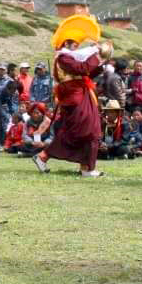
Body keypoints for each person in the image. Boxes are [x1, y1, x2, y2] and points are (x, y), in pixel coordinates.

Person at [33, 15, 106, 178]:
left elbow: (85, 72)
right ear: (66, 43)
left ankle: (86, 167)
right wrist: (95, 55)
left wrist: (101, 65)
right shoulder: (63, 58)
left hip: (81, 94)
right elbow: (80, 69)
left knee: (87, 130)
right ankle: (44, 156)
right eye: (74, 45)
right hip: (75, 96)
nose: (76, 48)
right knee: (83, 131)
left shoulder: (68, 58)